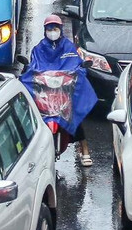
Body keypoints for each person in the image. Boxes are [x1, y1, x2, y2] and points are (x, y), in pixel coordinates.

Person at [21, 15, 96, 167]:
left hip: (63, 91)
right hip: (45, 92)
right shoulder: (38, 48)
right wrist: (29, 71)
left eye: (55, 28)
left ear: (60, 29)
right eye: (49, 28)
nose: (52, 31)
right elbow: (34, 66)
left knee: (75, 116)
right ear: (45, 30)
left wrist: (80, 70)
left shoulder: (68, 47)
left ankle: (85, 150)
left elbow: (75, 64)